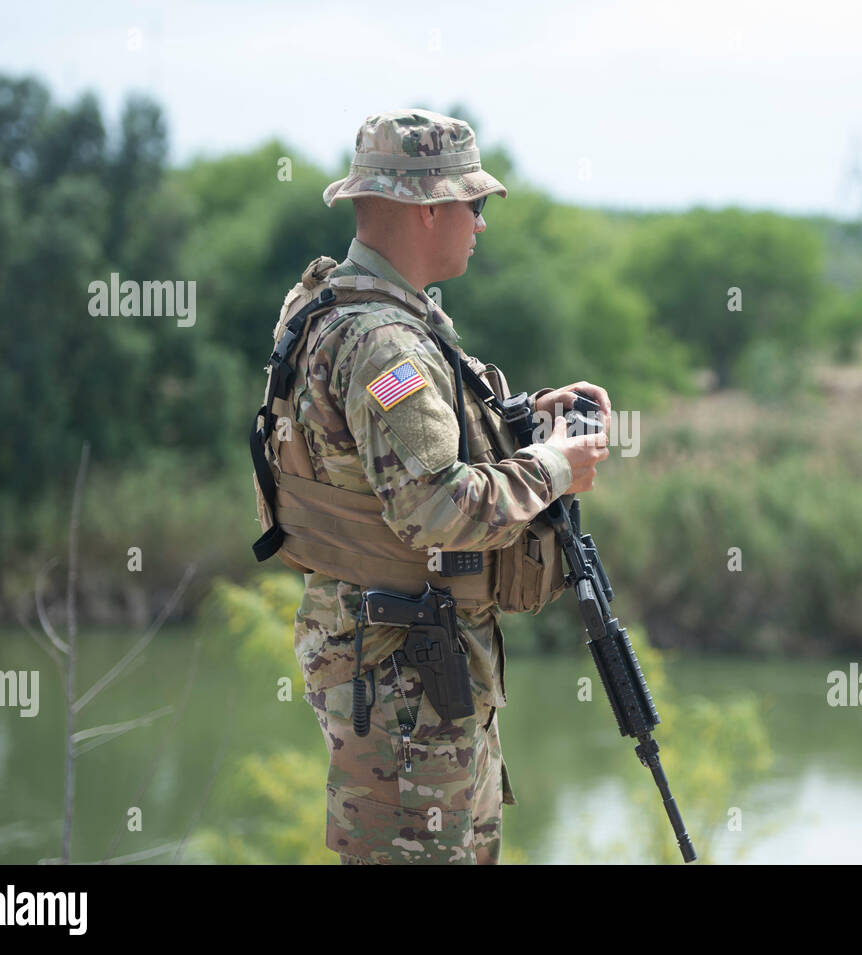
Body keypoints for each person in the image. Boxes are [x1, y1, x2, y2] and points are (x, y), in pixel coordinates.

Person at [276, 108, 611, 864]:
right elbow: (435, 506)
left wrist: (526, 419)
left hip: (401, 658)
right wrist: (557, 466)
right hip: (405, 681)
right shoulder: (384, 343)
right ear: (428, 208)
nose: (481, 224)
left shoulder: (342, 309)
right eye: (476, 204)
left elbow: (385, 463)